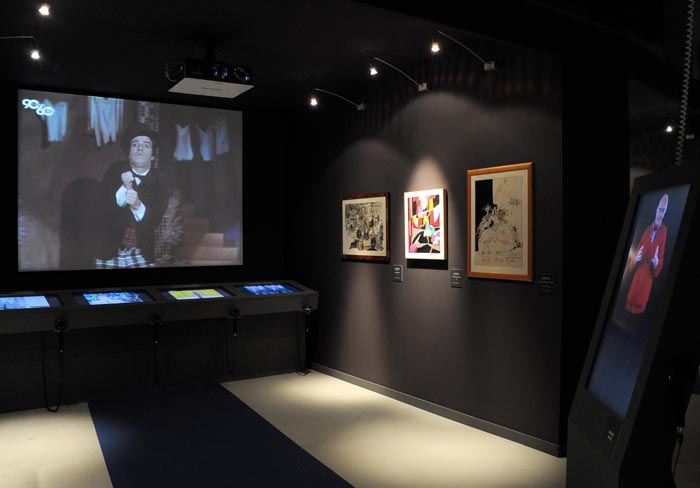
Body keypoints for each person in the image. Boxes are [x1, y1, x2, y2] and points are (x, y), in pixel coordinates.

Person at [94, 123, 170, 268]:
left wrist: (137, 205)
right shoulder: (114, 170)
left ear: (153, 156)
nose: (140, 148)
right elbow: (102, 209)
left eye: (146, 145)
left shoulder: (161, 180)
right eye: (135, 144)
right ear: (128, 153)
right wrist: (125, 187)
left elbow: (154, 221)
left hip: (141, 253)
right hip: (108, 251)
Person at [625, 193, 668, 314]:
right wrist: (635, 259)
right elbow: (634, 258)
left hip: (647, 278)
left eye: (663, 210)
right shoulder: (647, 230)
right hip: (637, 275)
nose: (660, 213)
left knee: (639, 309)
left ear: (665, 212)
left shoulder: (664, 232)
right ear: (656, 209)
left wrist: (656, 263)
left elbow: (659, 265)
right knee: (628, 306)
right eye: (659, 209)